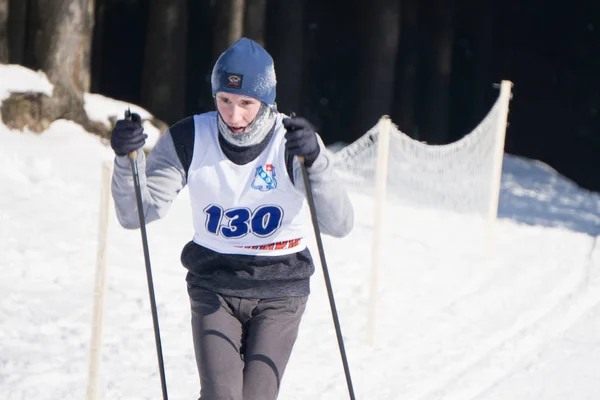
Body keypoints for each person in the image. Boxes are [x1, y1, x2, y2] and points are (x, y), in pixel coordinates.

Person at [109, 37, 354, 400]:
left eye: (246, 103)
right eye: (224, 100)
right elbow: (137, 214)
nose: (234, 116)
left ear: (267, 101)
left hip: (280, 289)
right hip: (214, 285)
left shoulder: (292, 144)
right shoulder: (190, 138)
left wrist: (316, 161)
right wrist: (126, 159)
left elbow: (340, 223)